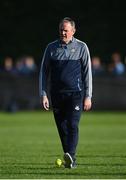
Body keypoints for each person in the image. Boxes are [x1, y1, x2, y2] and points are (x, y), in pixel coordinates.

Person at [39, 17, 92, 168]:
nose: (63, 33)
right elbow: (43, 72)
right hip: (56, 95)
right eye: (61, 30)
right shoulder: (51, 48)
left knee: (72, 124)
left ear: (73, 31)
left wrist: (88, 96)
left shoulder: (82, 47)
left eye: (66, 30)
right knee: (62, 127)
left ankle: (71, 156)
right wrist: (43, 94)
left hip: (75, 94)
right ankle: (69, 158)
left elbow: (88, 73)